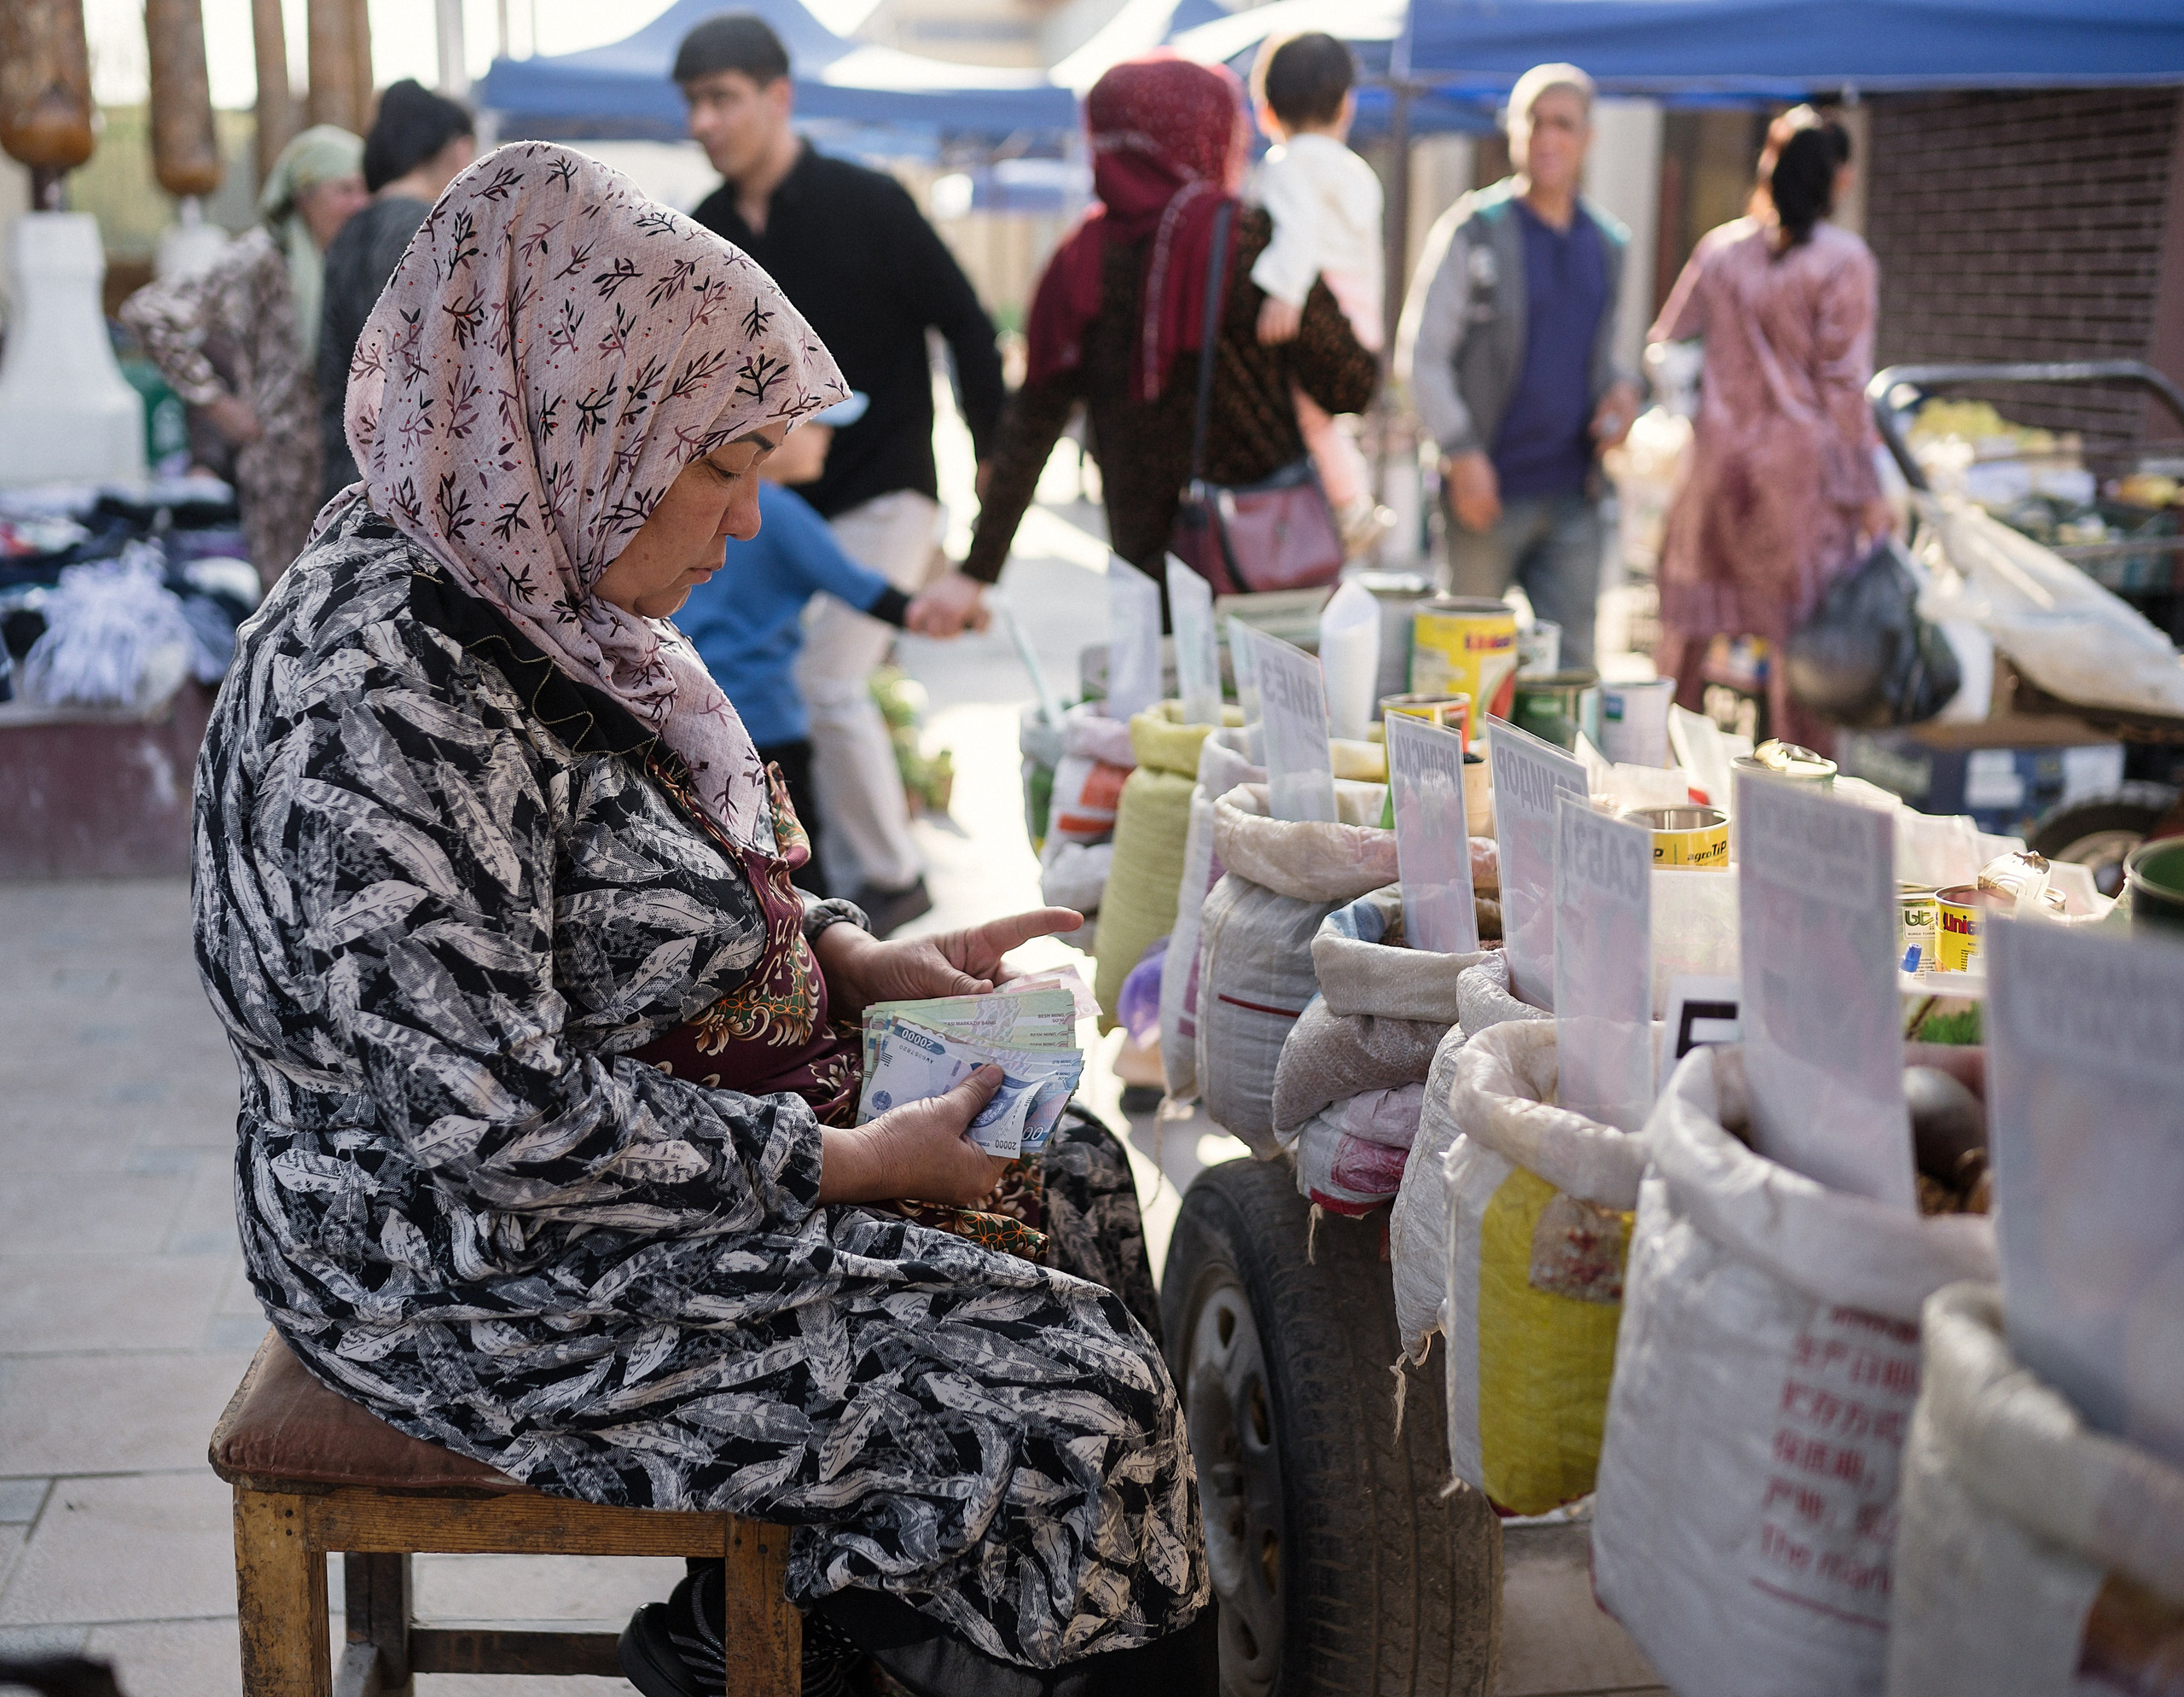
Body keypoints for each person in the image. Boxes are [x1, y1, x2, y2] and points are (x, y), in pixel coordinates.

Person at [191, 142, 1210, 1697]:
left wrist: (851, 964)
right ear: (578, 424)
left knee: (1064, 1167)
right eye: (717, 466)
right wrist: (852, 1162)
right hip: (464, 1256)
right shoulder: (371, 702)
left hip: (616, 1147)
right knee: (1073, 1393)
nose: (743, 521)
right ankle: (852, 1635)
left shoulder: (528, 574)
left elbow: (639, 876)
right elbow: (498, 1118)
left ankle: (803, 1625)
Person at [677, 14, 1008, 934]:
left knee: (825, 680)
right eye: (693, 104)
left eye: (722, 98)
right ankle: (810, 884)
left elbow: (969, 327)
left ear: (777, 97)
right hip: (768, 504)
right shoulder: (700, 236)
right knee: (768, 676)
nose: (705, 120)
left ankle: (887, 888)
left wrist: (992, 465)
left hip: (885, 488)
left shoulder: (871, 203)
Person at [959, 54, 1378, 609]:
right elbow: (1350, 386)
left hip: (1148, 581)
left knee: (1160, 700)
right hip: (1266, 569)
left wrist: (975, 573)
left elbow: (1033, 424)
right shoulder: (1249, 240)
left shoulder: (1079, 262)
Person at [1647, 111, 1888, 757]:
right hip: (1797, 487)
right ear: (1837, 181)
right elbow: (1844, 387)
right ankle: (1797, 809)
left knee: (1684, 645)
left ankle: (1661, 784)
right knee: (1800, 655)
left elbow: (1667, 345)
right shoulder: (1844, 262)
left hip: (1715, 473)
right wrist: (1870, 489)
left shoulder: (1720, 250)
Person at [1396, 62, 1640, 672]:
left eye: (1563, 124)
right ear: (1514, 132)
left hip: (1573, 497)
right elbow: (1421, 356)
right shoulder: (1476, 230)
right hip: (1486, 492)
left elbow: (1611, 357)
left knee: (1570, 673)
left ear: (1587, 137)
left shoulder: (1608, 244)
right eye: (1534, 122)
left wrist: (1621, 394)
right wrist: (1460, 451)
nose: (1548, 137)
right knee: (1465, 672)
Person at [677, 395, 944, 909]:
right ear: (771, 440)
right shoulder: (777, 511)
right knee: (802, 877)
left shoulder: (703, 504)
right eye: (818, 426)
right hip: (770, 726)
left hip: (693, 712)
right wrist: (939, 612)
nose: (832, 438)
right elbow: (862, 588)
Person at [122, 126, 367, 583]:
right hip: (279, 476)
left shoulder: (347, 259)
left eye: (363, 191)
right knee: (286, 618)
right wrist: (217, 404)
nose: (358, 204)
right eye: (344, 190)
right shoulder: (264, 257)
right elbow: (150, 312)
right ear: (304, 196)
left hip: (339, 468)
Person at [1246, 31, 1388, 555]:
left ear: (1266, 112)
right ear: (1347, 106)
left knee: (1310, 420)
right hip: (1361, 315)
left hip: (1318, 306)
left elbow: (1298, 231)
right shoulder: (1359, 171)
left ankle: (1350, 505)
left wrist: (1284, 291)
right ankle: (1351, 499)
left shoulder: (1286, 166)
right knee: (1328, 422)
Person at [316, 78, 475, 498]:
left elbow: (329, 359)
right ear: (459, 149)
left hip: (346, 469)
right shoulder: (437, 229)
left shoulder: (348, 231)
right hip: (412, 485)